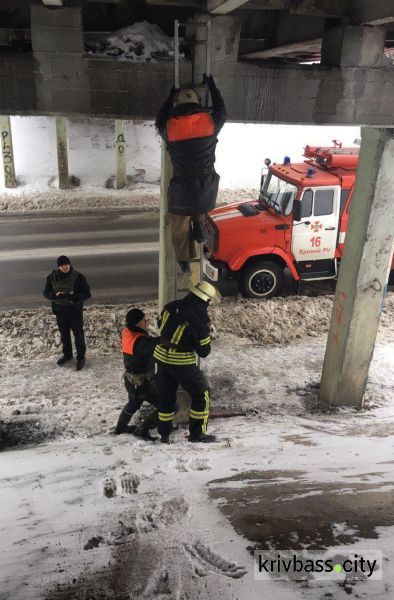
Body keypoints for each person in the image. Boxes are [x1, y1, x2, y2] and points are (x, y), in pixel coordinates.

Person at [155, 74, 227, 273]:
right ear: (197, 103)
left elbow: (159, 119)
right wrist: (212, 85)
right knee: (199, 202)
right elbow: (222, 110)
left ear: (177, 105)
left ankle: (183, 260)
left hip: (182, 185)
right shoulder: (211, 123)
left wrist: (169, 97)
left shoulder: (169, 128)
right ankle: (200, 228)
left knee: (179, 226)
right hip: (206, 182)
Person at [154, 281, 219, 444]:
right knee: (202, 394)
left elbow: (161, 324)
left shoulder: (170, 306)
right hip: (182, 363)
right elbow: (204, 352)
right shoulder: (199, 321)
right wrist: (209, 336)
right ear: (205, 301)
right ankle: (197, 434)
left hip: (161, 358)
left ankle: (164, 434)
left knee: (166, 397)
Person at [115, 308, 161, 441]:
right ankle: (143, 429)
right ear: (136, 323)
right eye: (143, 319)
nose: (146, 321)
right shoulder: (140, 341)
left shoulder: (128, 332)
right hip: (143, 383)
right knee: (168, 406)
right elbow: (155, 343)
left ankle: (120, 428)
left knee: (134, 403)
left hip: (130, 380)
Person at [43, 255, 91, 371]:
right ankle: (67, 355)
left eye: (66, 264)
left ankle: (80, 357)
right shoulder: (51, 278)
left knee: (78, 335)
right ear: (59, 266)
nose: (65, 267)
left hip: (74, 311)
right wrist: (55, 295)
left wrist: (72, 297)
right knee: (64, 335)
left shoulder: (78, 277)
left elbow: (87, 294)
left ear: (69, 264)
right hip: (60, 311)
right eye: (62, 265)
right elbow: (46, 292)